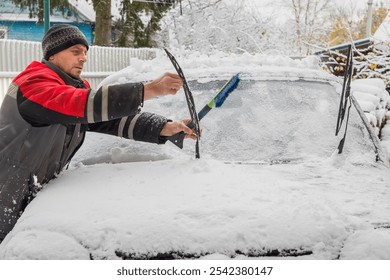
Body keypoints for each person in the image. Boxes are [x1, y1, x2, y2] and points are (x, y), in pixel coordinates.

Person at [0, 24, 196, 243]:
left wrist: (165, 127)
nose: (83, 58)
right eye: (75, 51)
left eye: (85, 52)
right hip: (6, 190)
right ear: (53, 55)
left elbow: (109, 120)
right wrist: (148, 89)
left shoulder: (73, 87)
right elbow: (82, 104)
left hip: (33, 189)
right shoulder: (33, 83)